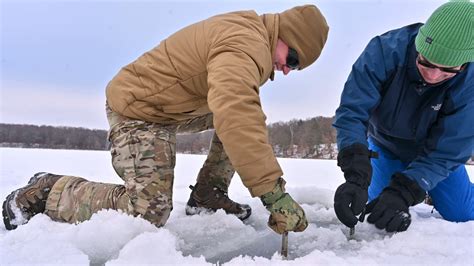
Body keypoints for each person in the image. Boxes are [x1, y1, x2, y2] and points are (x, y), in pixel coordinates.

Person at [2, 5, 329, 235]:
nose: (287, 70)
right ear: (285, 35)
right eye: (294, 59)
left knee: (247, 117)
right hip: (138, 110)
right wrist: (273, 194)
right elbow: (235, 114)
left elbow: (241, 114)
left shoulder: (252, 35)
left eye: (296, 68)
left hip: (165, 108)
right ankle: (49, 190)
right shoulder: (246, 45)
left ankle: (207, 195)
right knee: (148, 211)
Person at [333, 0, 473, 233]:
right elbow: (352, 113)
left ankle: (435, 191)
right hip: (385, 146)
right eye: (426, 62)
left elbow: (450, 149)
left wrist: (405, 191)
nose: (434, 75)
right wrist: (355, 170)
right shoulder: (383, 52)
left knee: (461, 212)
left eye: (447, 70)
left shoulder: (470, 85)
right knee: (376, 208)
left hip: (434, 154)